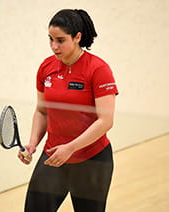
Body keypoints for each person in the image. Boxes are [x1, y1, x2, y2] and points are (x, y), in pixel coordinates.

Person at [18, 9, 118, 212]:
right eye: (50, 39)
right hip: (53, 156)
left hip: (92, 160)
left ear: (77, 37)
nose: (54, 46)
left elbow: (105, 121)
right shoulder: (46, 67)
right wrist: (33, 144)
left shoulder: (98, 70)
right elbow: (42, 111)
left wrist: (70, 148)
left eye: (61, 40)